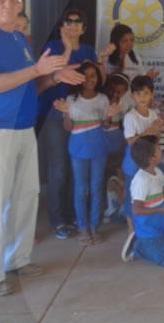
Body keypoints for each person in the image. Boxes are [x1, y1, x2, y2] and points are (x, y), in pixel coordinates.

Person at [0, 0, 83, 296]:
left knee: (27, 195)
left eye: (12, 0)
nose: (6, 4)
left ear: (20, 5)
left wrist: (55, 76)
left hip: (23, 126)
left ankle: (17, 259)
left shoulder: (20, 39)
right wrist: (36, 69)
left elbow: (34, 86)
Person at [38, 8, 110, 240]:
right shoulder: (52, 48)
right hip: (57, 116)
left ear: (84, 28)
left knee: (76, 171)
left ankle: (73, 216)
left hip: (85, 120)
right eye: (68, 22)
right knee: (58, 169)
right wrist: (67, 48)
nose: (72, 26)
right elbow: (43, 82)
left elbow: (99, 81)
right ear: (61, 26)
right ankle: (58, 220)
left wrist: (102, 62)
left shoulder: (88, 50)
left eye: (78, 22)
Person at [53, 61, 120, 245]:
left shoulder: (103, 99)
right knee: (81, 189)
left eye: (93, 75)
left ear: (98, 78)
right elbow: (68, 127)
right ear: (79, 78)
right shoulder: (71, 100)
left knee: (97, 187)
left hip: (99, 148)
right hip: (78, 149)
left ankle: (94, 226)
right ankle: (83, 228)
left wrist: (110, 115)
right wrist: (66, 113)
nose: (90, 79)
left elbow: (106, 125)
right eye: (86, 75)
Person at [122, 135, 164, 266]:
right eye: (158, 149)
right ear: (152, 159)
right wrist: (162, 210)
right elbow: (137, 210)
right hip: (148, 232)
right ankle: (139, 247)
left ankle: (158, 245)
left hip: (161, 226)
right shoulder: (141, 181)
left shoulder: (158, 172)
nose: (161, 150)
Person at [121, 76, 164, 237]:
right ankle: (130, 227)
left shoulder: (153, 114)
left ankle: (147, 222)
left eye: (146, 93)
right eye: (138, 93)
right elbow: (131, 142)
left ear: (152, 94)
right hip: (133, 161)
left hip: (150, 161)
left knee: (148, 191)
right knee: (132, 194)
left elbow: (156, 139)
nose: (142, 97)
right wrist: (150, 130)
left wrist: (159, 132)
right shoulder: (130, 117)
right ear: (132, 95)